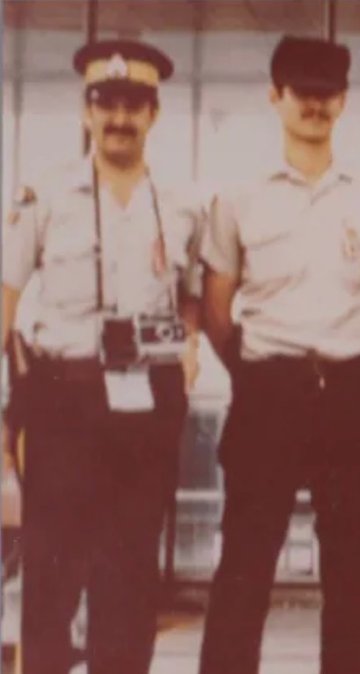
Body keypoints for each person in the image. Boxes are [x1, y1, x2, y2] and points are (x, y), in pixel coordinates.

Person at [196, 35, 360, 674]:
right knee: (245, 563)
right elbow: (217, 309)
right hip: (267, 393)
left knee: (353, 569)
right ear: (276, 97)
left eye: (326, 94)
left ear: (343, 101)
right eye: (301, 93)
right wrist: (257, 370)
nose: (314, 105)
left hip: (350, 396)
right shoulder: (240, 197)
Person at [1, 39, 203, 674]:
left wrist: (190, 346)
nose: (120, 118)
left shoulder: (180, 203)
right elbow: (4, 300)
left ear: (155, 113)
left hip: (147, 405)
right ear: (86, 111)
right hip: (64, 400)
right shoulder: (45, 196)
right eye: (106, 103)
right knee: (52, 575)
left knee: (131, 574)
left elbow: (192, 297)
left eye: (134, 104)